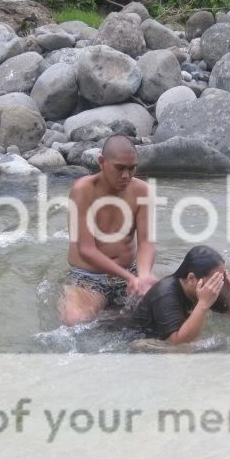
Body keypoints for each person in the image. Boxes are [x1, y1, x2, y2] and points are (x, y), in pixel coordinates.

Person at [60, 134, 156, 325]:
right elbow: (86, 250)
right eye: (119, 168)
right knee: (75, 322)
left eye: (132, 168)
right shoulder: (83, 190)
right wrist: (129, 277)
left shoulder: (143, 190)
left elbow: (146, 242)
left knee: (166, 306)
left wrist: (143, 276)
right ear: (102, 162)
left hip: (130, 270)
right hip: (89, 276)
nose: (126, 175)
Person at [133, 245, 230, 344]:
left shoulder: (207, 287)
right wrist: (203, 305)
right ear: (191, 278)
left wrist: (229, 295)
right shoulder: (166, 294)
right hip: (140, 340)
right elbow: (177, 343)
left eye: (221, 278)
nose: (218, 284)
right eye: (215, 279)